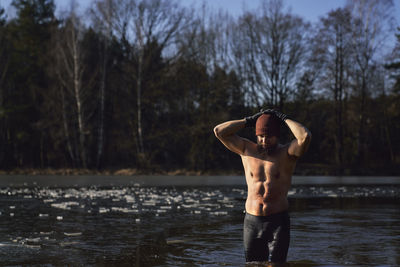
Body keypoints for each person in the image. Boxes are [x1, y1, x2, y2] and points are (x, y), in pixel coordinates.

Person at [213, 109, 311, 263]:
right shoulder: (246, 149)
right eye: (261, 137)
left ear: (277, 136)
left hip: (278, 222)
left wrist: (284, 119)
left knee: (276, 265)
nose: (264, 141)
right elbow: (219, 131)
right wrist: (249, 120)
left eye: (269, 137)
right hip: (252, 222)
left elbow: (304, 136)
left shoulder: (287, 153)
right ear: (256, 135)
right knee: (252, 265)